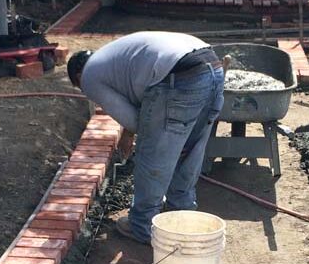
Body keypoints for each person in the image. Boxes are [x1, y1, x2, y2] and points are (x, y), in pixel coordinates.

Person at [67, 32, 225, 244]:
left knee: (152, 152)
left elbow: (137, 123)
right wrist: (129, 134)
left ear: (78, 77)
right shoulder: (113, 57)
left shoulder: (89, 77)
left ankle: (142, 226)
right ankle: (182, 212)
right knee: (189, 148)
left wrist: (136, 138)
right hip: (212, 66)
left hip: (177, 77)